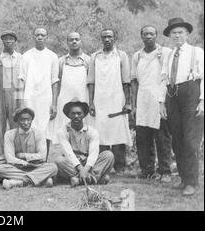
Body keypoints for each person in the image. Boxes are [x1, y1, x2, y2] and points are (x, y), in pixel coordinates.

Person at [160, 18, 204, 196]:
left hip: (191, 95)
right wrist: (161, 102)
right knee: (177, 140)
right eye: (174, 33)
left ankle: (192, 182)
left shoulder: (197, 52)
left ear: (187, 34)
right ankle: (184, 179)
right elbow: (163, 79)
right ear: (170, 36)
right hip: (172, 96)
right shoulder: (169, 54)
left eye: (180, 32)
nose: (177, 36)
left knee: (190, 140)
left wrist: (202, 100)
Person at [131, 25, 173, 182]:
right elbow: (134, 81)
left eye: (151, 34)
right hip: (143, 100)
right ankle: (147, 170)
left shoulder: (164, 53)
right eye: (145, 34)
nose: (148, 36)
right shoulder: (137, 56)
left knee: (162, 137)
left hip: (160, 99)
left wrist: (165, 102)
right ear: (141, 36)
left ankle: (165, 171)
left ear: (156, 36)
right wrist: (134, 105)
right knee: (143, 137)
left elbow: (168, 79)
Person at [87, 28, 132, 173]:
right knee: (101, 132)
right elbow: (91, 82)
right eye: (104, 37)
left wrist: (128, 102)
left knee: (118, 131)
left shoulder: (122, 56)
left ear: (114, 38)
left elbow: (126, 81)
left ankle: (120, 166)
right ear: (101, 39)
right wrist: (91, 102)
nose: (107, 39)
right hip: (100, 99)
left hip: (117, 99)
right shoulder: (95, 56)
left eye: (110, 37)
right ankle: (103, 166)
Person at [47, 32, 90, 156]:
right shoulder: (61, 61)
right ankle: (63, 157)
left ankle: (83, 156)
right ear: (67, 43)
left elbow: (91, 83)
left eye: (77, 39)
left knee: (83, 127)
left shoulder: (88, 60)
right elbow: (56, 82)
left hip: (83, 99)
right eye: (71, 40)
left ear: (81, 41)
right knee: (63, 128)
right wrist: (54, 104)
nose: (74, 42)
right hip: (64, 101)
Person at [55, 98, 114, 187]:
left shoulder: (92, 132)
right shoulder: (62, 131)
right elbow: (68, 153)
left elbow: (93, 154)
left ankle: (79, 180)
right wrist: (80, 169)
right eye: (73, 113)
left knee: (108, 155)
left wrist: (86, 169)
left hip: (88, 164)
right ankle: (93, 178)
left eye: (79, 113)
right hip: (72, 164)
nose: (76, 116)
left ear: (83, 115)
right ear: (68, 115)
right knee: (59, 161)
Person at [0, 107, 58, 190]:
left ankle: (17, 182)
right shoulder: (9, 134)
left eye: (28, 119)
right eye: (22, 120)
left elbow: (42, 156)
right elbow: (9, 158)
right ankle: (41, 179)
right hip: (18, 167)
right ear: (17, 120)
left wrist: (24, 156)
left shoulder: (39, 133)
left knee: (53, 167)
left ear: (32, 119)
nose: (26, 123)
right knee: (0, 169)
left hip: (36, 166)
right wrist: (23, 163)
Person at [19, 27, 59, 149]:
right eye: (37, 35)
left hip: (46, 98)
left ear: (47, 37)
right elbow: (22, 80)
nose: (40, 37)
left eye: (43, 35)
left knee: (45, 129)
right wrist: (21, 102)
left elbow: (54, 81)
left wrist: (54, 104)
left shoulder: (52, 56)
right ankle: (29, 159)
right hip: (30, 97)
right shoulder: (26, 56)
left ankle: (44, 160)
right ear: (33, 37)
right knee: (29, 126)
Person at [0, 30, 22, 157]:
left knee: (15, 128)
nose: (8, 41)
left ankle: (15, 156)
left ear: (15, 41)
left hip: (15, 95)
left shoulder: (20, 58)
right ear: (2, 41)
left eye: (11, 38)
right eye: (5, 38)